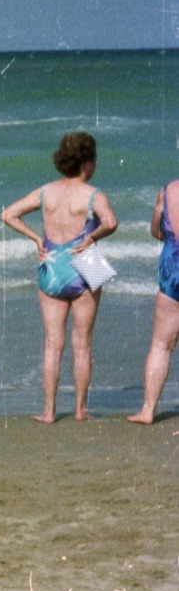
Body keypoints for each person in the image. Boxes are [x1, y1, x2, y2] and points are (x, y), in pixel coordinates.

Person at [1, 131, 118, 423]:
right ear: (87, 163)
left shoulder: (46, 191)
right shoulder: (92, 194)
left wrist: (35, 238)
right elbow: (111, 222)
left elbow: (8, 214)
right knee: (83, 343)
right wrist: (91, 238)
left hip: (51, 264)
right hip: (85, 263)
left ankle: (49, 411)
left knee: (53, 343)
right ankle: (80, 411)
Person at [127, 179, 179, 424]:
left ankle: (148, 410)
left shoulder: (167, 190)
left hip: (173, 268)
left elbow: (156, 231)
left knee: (161, 343)